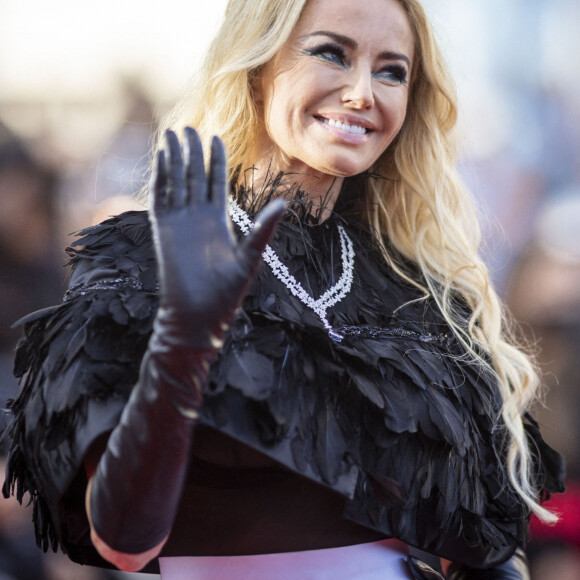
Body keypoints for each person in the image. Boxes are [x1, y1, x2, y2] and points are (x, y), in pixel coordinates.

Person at [1, 0, 565, 578]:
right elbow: (123, 537)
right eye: (331, 53)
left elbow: (485, 555)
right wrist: (184, 343)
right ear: (257, 66)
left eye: (391, 70)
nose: (362, 92)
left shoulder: (422, 296)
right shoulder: (145, 260)